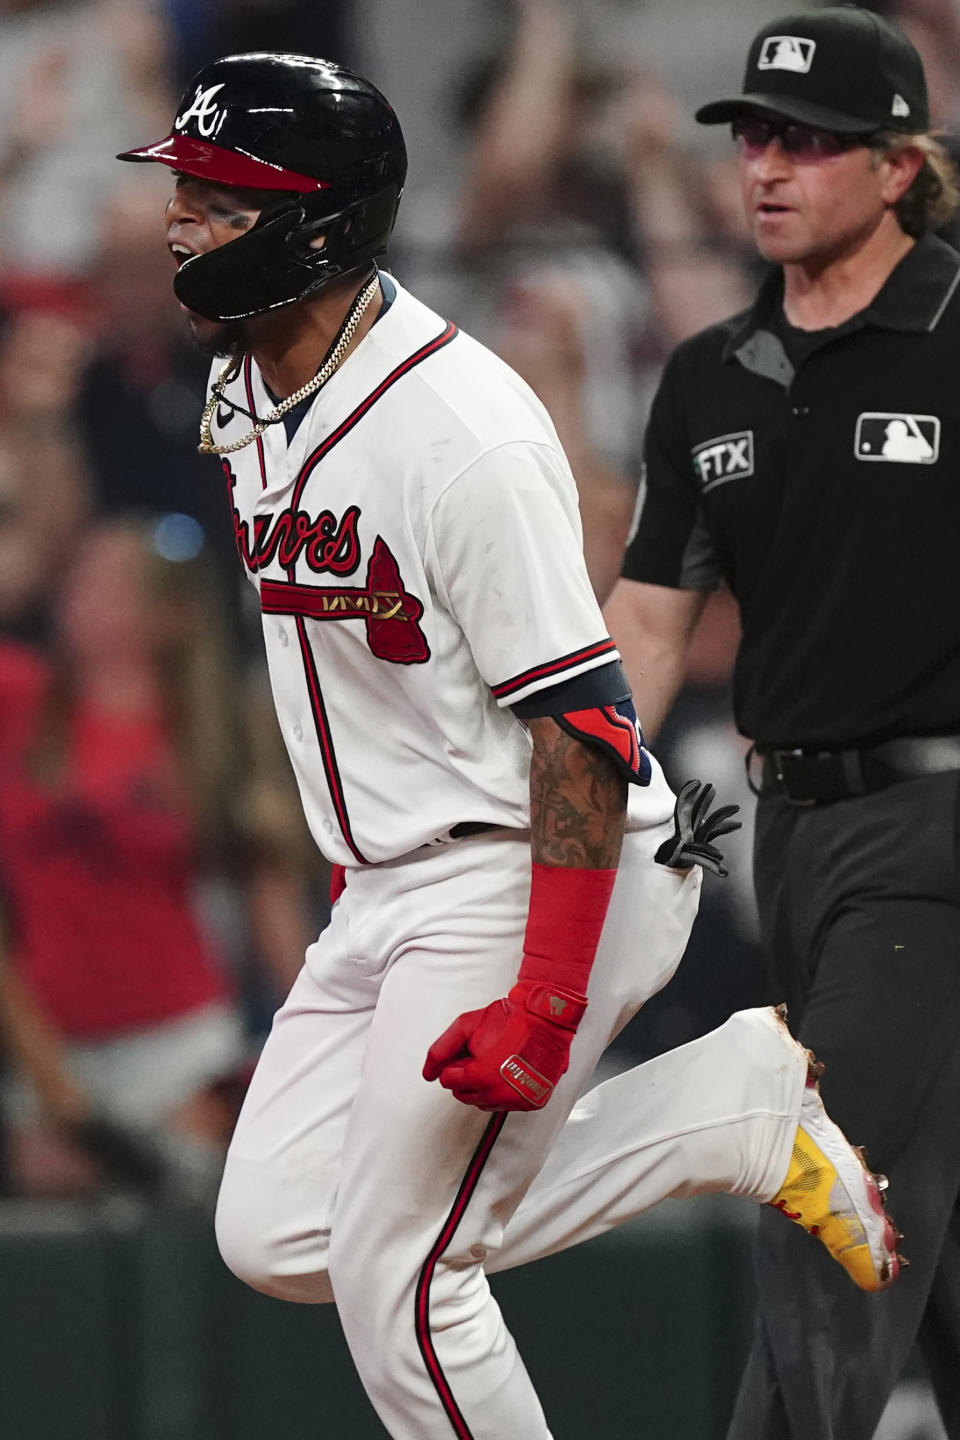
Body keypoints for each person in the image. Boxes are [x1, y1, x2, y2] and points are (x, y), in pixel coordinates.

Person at [118, 53, 903, 1440]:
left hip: (523, 859)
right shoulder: (245, 384)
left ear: (315, 224)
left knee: (398, 1273)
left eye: (220, 195)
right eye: (184, 186)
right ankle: (731, 1109)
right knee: (278, 1233)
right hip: (387, 883)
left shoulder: (460, 431)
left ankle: (729, 1109)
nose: (181, 218)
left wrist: (547, 991)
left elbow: (584, 725)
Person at [604, 8, 960, 1438]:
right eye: (752, 135)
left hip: (938, 826)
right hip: (798, 841)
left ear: (896, 168)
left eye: (807, 141)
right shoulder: (710, 377)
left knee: (827, 1184)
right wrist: (552, 832)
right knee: (920, 1216)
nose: (767, 164)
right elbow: (644, 624)